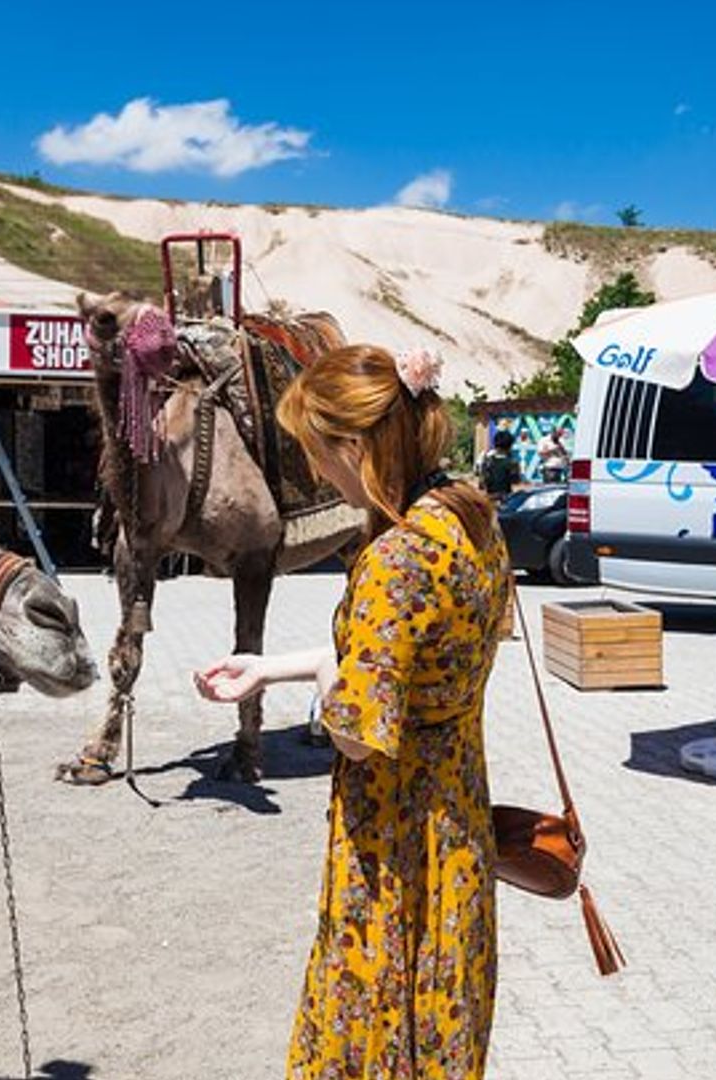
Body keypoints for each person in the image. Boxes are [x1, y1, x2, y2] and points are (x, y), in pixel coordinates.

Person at [194, 344, 508, 1078]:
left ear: (357, 446)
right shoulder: (467, 518)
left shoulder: (395, 559)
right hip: (456, 831)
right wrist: (267, 667)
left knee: (373, 1039)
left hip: (393, 842)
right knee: (439, 1029)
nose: (313, 471)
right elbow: (404, 656)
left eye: (315, 449)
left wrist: (321, 680)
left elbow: (359, 734)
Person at [479, 427, 522, 497]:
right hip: (506, 497)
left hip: (489, 497)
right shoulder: (512, 463)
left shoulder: (487, 461)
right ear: (509, 446)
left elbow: (481, 484)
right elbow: (516, 481)